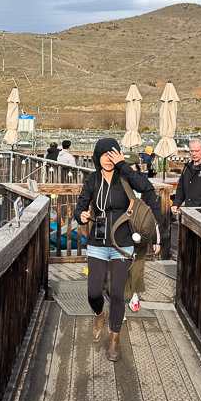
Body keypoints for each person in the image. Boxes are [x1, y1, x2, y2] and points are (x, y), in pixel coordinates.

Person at [74, 138, 163, 362]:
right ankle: (98, 314)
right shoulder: (92, 180)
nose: (108, 158)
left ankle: (114, 338)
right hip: (97, 242)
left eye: (112, 154)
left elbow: (145, 187)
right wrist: (81, 216)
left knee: (116, 293)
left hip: (123, 243)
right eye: (104, 154)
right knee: (94, 293)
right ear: (97, 156)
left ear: (118, 155)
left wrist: (123, 164)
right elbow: (80, 206)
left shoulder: (125, 176)